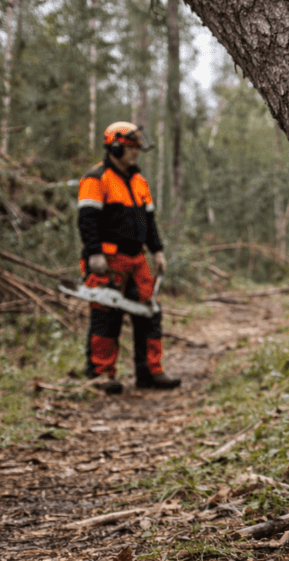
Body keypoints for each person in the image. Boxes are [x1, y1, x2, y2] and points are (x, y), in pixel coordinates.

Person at [77, 121, 181, 394]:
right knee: (106, 318)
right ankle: (100, 374)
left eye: (136, 148)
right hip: (109, 260)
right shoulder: (96, 178)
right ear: (114, 146)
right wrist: (94, 253)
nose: (135, 153)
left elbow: (149, 221)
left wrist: (157, 250)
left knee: (150, 313)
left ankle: (150, 371)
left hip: (137, 260)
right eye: (130, 147)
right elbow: (87, 220)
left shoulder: (139, 181)